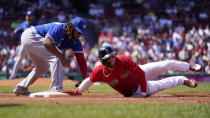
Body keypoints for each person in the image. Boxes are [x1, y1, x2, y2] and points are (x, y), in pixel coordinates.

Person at [60, 46, 202, 97]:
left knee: (166, 64)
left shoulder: (122, 59)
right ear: (103, 61)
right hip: (136, 89)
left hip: (140, 76)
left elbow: (140, 73)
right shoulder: (99, 72)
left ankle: (189, 66)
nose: (112, 59)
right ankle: (184, 80)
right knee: (162, 84)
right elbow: (88, 81)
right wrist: (77, 92)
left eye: (112, 56)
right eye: (109, 58)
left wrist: (145, 93)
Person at [13, 17, 88, 95]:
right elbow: (47, 43)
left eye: (81, 33)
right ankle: (56, 88)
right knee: (57, 56)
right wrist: (62, 57)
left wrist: (84, 79)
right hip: (31, 35)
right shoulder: (60, 28)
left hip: (33, 40)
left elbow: (81, 61)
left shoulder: (76, 42)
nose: (79, 35)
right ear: (71, 28)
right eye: (78, 32)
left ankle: (21, 88)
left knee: (43, 67)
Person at [9, 11, 38, 79]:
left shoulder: (35, 24)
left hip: (33, 43)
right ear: (26, 17)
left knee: (37, 58)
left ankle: (44, 73)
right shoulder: (23, 24)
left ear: (32, 17)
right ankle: (13, 74)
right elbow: (15, 31)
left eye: (30, 16)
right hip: (24, 43)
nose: (29, 17)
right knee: (19, 58)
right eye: (28, 16)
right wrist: (16, 30)